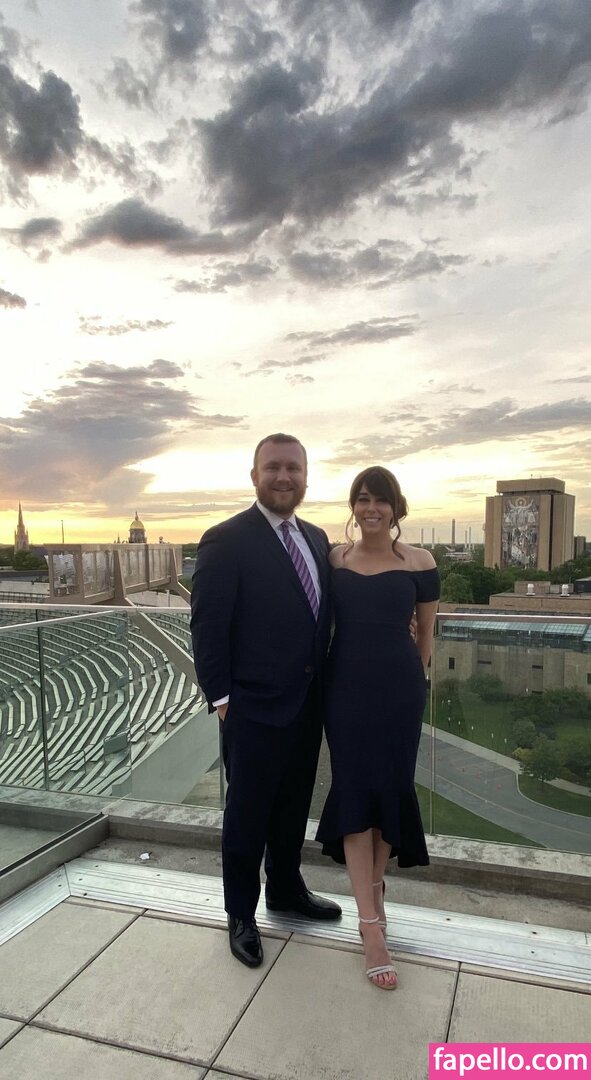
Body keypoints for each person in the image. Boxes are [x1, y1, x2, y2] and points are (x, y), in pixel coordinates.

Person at [190, 433, 341, 969]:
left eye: (293, 468)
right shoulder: (225, 540)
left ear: (306, 477)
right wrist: (223, 701)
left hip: (307, 704)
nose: (284, 477)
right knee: (247, 816)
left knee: (294, 805)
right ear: (254, 476)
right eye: (273, 467)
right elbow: (208, 627)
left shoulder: (318, 539)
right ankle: (240, 915)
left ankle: (285, 889)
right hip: (251, 708)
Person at [316, 466, 440, 990]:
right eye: (363, 499)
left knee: (390, 792)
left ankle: (372, 894)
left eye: (381, 500)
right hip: (344, 691)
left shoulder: (421, 562)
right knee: (353, 794)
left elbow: (426, 636)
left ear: (396, 508)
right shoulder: (334, 560)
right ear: (354, 506)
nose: (371, 508)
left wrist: (412, 681)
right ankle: (371, 926)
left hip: (399, 692)